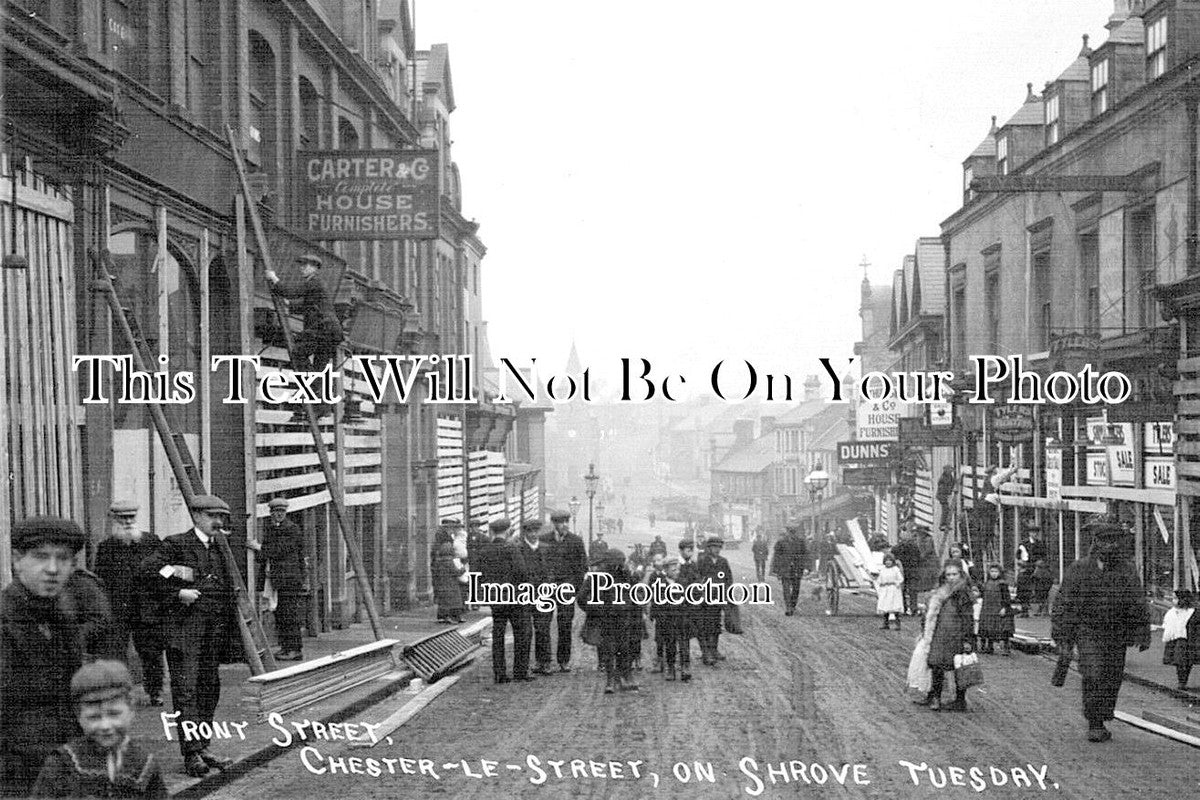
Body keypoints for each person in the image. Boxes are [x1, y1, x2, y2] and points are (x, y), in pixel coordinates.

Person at [140, 494, 237, 777]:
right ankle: (191, 753)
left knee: (210, 689)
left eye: (221, 517)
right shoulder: (176, 543)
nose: (218, 522)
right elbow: (149, 569)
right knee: (187, 692)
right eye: (212, 517)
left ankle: (204, 746)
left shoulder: (220, 547)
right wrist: (177, 590)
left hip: (212, 632)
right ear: (196, 517)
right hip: (184, 632)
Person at [0, 516, 88, 796]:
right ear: (17, 560)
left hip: (62, 775)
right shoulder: (4, 621)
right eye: (40, 557)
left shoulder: (63, 619)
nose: (52, 569)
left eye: (63, 559)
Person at [1052, 521, 1151, 743]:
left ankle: (1103, 715)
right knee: (1093, 674)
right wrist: (1062, 636)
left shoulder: (1127, 570)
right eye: (1105, 541)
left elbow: (1137, 601)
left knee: (1112, 677)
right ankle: (1094, 723)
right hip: (1088, 631)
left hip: (1117, 633)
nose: (1110, 546)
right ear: (1095, 543)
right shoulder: (1079, 569)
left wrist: (1143, 632)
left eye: (1114, 541)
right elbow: (1064, 603)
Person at [30, 661, 167, 798]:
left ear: (131, 710)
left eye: (114, 714)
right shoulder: (63, 764)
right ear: (79, 717)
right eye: (94, 717)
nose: (105, 726)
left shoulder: (144, 766)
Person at [475, 518, 534, 684]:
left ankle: (500, 674)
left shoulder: (485, 551)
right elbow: (522, 572)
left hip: (496, 598)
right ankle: (520, 672)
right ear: (508, 531)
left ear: (493, 532)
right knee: (522, 634)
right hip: (514, 598)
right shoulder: (512, 549)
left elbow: (479, 574)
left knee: (498, 635)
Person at [264, 253, 344, 373]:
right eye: (301, 265)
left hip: (324, 330)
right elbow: (309, 305)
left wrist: (274, 278)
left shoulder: (314, 282)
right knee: (319, 369)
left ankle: (311, 385)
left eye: (305, 266)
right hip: (331, 332)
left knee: (298, 353)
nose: (302, 268)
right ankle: (314, 389)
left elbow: (291, 292)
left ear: (314, 268)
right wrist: (289, 305)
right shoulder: (317, 284)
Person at [913, 560, 976, 712]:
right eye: (948, 574)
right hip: (940, 634)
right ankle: (935, 697)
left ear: (961, 575)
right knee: (936, 665)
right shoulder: (940, 592)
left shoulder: (964, 593)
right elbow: (930, 614)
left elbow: (968, 618)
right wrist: (925, 630)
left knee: (960, 667)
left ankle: (960, 701)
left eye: (954, 574)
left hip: (957, 635)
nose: (951, 577)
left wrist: (968, 639)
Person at [581, 549, 642, 693]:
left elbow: (637, 594)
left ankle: (624, 677)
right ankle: (612, 680)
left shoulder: (626, 575)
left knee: (624, 648)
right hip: (607, 620)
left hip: (624, 619)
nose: (621, 566)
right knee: (610, 650)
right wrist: (595, 611)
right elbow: (582, 598)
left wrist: (633, 609)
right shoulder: (597, 578)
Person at [256, 498, 309, 660]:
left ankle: (295, 649)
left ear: (285, 513)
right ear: (271, 513)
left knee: (290, 615)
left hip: (290, 579)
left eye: (281, 512)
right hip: (278, 579)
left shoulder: (291, 529)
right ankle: (287, 648)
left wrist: (258, 548)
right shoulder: (273, 529)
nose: (278, 515)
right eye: (275, 512)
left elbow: (277, 551)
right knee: (281, 615)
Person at [541, 510, 588, 672]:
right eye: (561, 522)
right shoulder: (543, 540)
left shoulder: (576, 541)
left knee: (565, 624)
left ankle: (563, 661)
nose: (565, 525)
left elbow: (583, 567)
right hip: (547, 588)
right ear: (554, 523)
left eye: (566, 521)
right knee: (542, 624)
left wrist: (574, 588)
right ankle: (544, 662)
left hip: (566, 588)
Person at [514, 520, 554, 675]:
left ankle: (544, 662)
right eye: (530, 532)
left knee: (543, 629)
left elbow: (552, 570)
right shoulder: (518, 549)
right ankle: (523, 667)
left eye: (536, 531)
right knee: (525, 630)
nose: (533, 535)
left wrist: (549, 584)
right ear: (525, 533)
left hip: (543, 595)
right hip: (524, 594)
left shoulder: (546, 549)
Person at [695, 535, 732, 665]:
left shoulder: (723, 561)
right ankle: (706, 652)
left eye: (719, 547)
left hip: (718, 599)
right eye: (714, 547)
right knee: (704, 625)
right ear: (708, 548)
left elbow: (728, 579)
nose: (717, 550)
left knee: (716, 624)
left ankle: (714, 650)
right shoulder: (702, 561)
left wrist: (727, 594)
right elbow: (697, 579)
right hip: (705, 600)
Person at [1162, 589, 1199, 690]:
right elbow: (1168, 623)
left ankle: (1183, 681)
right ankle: (1181, 681)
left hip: (1187, 640)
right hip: (1175, 639)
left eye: (1175, 598)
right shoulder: (1172, 612)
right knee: (1179, 661)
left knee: (1185, 661)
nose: (1173, 600)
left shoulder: (1192, 612)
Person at [431, 527, 466, 625]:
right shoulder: (449, 561)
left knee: (444, 600)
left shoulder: (440, 559)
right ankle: (451, 616)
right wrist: (463, 569)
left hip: (443, 582)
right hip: (451, 584)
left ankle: (444, 616)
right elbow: (456, 572)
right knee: (453, 601)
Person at [770, 524, 807, 616]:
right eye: (790, 532)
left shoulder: (800, 542)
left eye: (793, 532)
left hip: (797, 569)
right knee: (786, 589)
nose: (792, 534)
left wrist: (806, 567)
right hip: (785, 568)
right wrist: (776, 570)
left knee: (796, 589)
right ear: (787, 532)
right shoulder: (781, 543)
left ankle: (793, 605)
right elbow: (776, 557)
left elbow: (805, 555)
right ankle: (788, 607)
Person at [978, 563, 1014, 655]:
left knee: (1003, 629)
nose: (994, 573)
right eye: (992, 571)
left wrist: (1005, 608)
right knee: (988, 628)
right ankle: (989, 647)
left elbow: (1006, 597)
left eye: (996, 571)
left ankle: (1006, 648)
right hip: (988, 609)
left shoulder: (1002, 584)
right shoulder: (987, 583)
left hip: (999, 608)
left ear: (999, 572)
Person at [1016, 525, 1046, 615]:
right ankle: (1024, 608)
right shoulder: (1023, 544)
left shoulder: (1040, 544)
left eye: (1036, 532)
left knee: (1042, 584)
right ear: (1029, 533)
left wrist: (1040, 563)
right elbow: (1018, 556)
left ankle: (1041, 607)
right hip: (1027, 567)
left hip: (1038, 568)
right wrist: (1022, 563)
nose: (1035, 534)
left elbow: (1044, 556)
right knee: (1022, 583)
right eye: (1033, 532)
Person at [890, 531, 922, 616]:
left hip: (902, 571)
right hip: (912, 571)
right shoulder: (915, 547)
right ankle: (913, 609)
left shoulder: (896, 548)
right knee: (913, 591)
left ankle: (903, 608)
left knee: (902, 591)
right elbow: (919, 559)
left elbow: (893, 560)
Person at [875, 553, 904, 630]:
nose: (888, 562)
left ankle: (898, 624)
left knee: (895, 606)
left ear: (892, 561)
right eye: (886, 560)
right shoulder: (883, 570)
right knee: (885, 606)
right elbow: (879, 580)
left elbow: (901, 579)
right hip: (885, 590)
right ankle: (886, 624)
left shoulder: (895, 569)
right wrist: (881, 583)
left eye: (890, 560)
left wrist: (895, 583)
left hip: (893, 589)